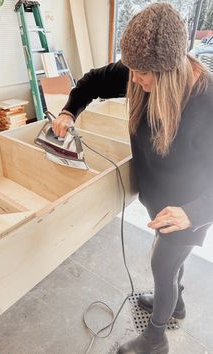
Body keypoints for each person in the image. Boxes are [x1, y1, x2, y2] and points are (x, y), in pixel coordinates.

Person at [53, 3, 213, 354]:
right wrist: (69, 110)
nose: (133, 78)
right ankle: (175, 301)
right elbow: (93, 81)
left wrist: (194, 212)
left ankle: (155, 338)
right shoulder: (137, 73)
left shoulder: (207, 100)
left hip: (190, 206)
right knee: (171, 266)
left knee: (163, 262)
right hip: (160, 197)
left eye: (142, 73)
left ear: (169, 70)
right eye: (132, 69)